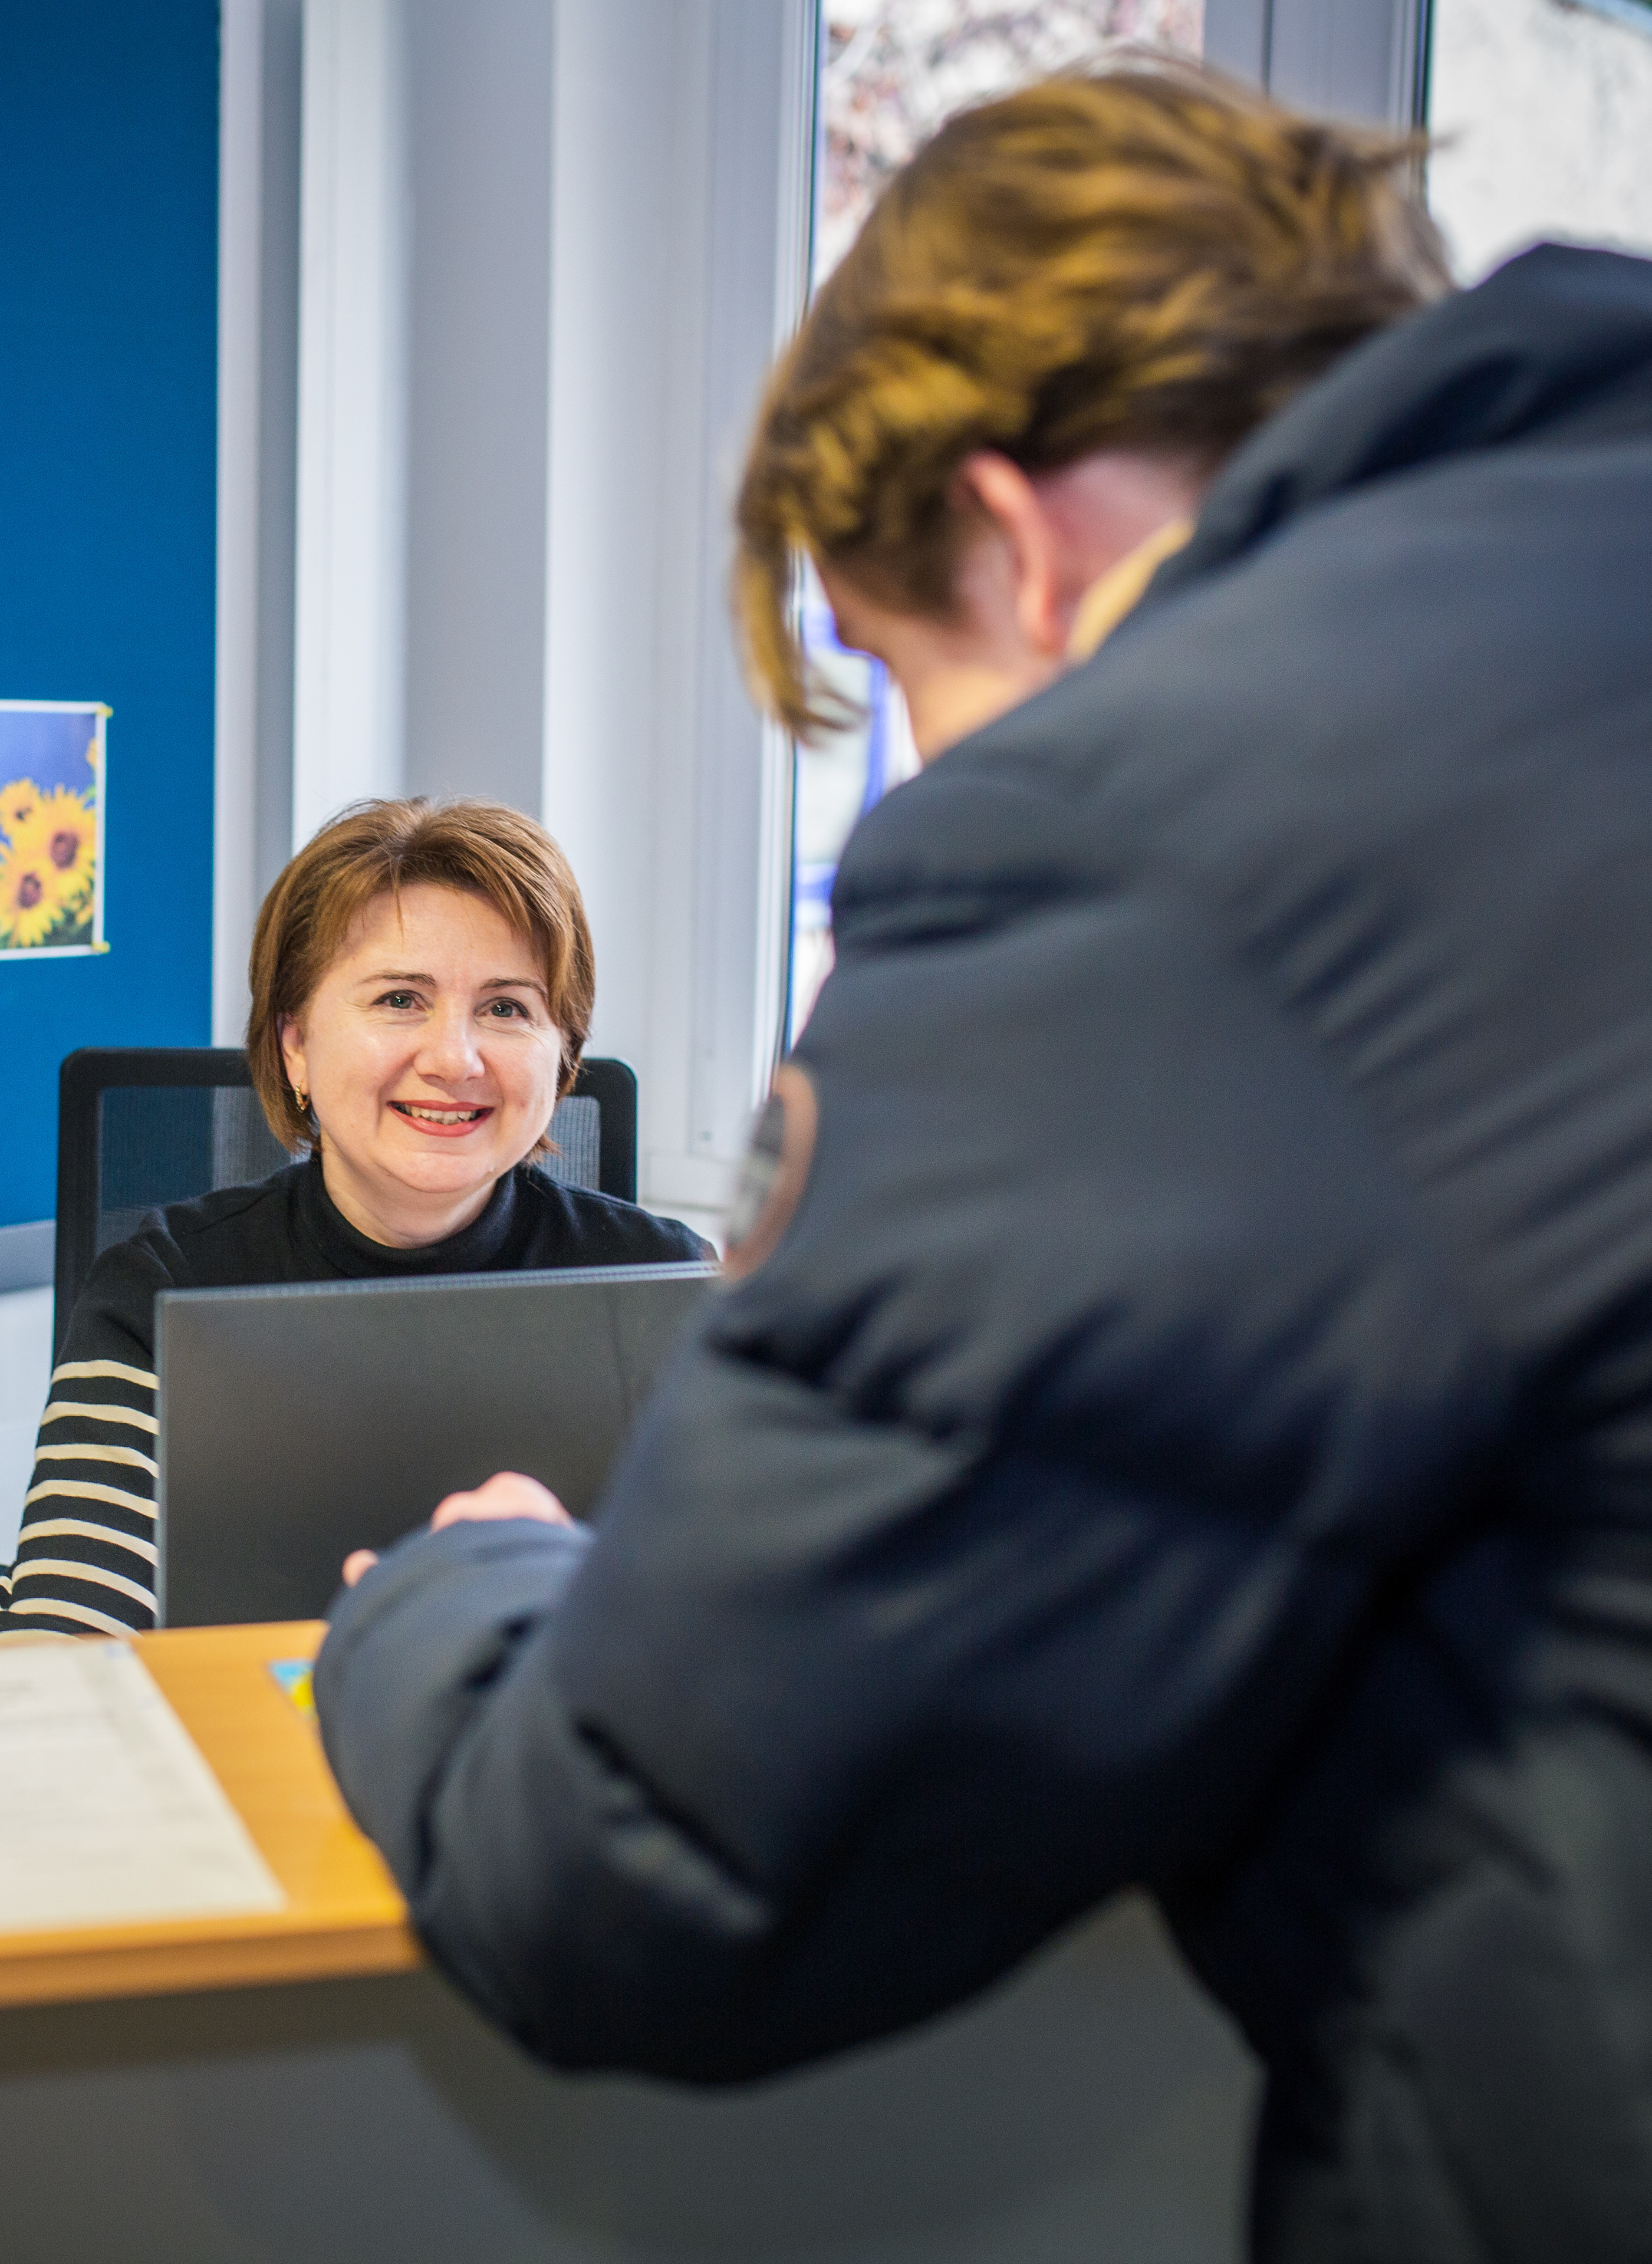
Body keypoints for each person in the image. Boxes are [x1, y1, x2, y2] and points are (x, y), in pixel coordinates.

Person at [312, 60, 1652, 2262]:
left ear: (1015, 539)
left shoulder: (1159, 839)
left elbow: (649, 1858)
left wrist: (456, 1587)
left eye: (894, 671)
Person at [0, 797, 708, 1640]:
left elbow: (740, 1626)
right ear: (295, 1045)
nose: (454, 1059)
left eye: (508, 1009)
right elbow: (70, 1649)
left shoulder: (668, 1288)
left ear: (563, 1055)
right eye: (401, 999)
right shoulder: (163, 1288)